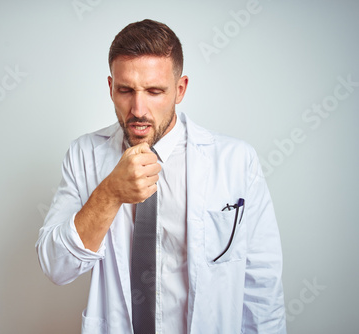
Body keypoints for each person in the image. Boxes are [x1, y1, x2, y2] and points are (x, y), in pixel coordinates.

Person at [36, 19, 286, 334]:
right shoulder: (84, 154)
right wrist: (110, 193)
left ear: (179, 89)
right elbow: (57, 266)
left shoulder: (236, 161)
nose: (138, 109)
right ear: (111, 88)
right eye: (126, 90)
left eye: (155, 91)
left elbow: (261, 284)